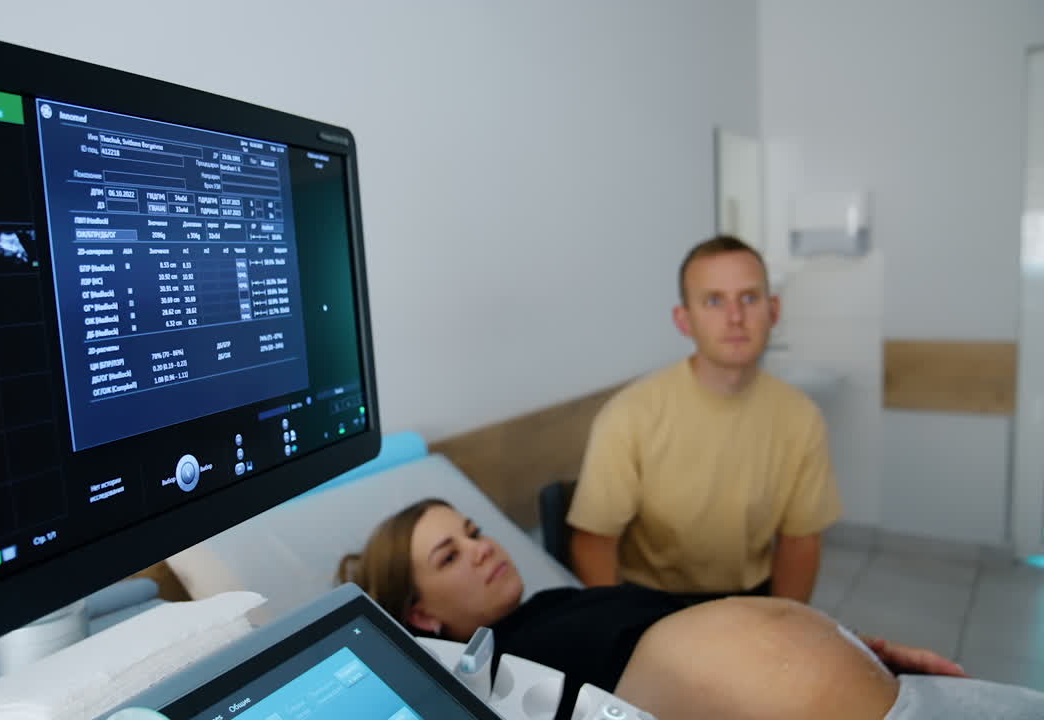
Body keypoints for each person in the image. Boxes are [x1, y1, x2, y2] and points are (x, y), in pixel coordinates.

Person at [338, 498, 1044, 720]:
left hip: (893, 691)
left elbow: (711, 616)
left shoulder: (557, 602)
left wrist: (865, 644)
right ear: (422, 616)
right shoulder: (489, 682)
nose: (482, 547)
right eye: (450, 557)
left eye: (474, 530)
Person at [568, 235, 839, 604]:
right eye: (713, 300)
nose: (735, 318)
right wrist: (621, 630)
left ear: (773, 311)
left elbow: (800, 542)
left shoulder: (801, 418)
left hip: (750, 600)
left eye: (749, 298)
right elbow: (593, 544)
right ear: (684, 320)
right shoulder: (630, 416)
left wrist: (783, 626)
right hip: (651, 602)